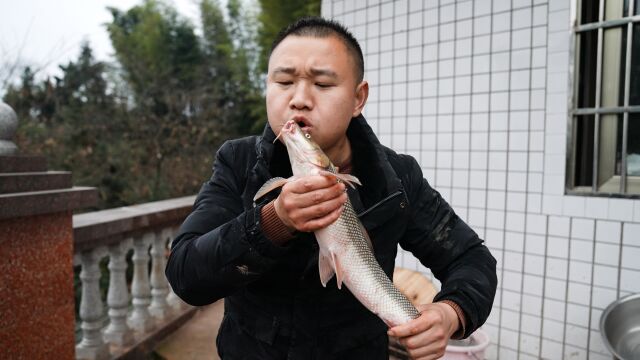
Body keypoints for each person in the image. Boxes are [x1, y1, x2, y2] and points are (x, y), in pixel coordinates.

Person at [166, 16, 497, 360]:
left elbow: (472, 258)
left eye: (322, 84)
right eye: (283, 81)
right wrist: (273, 221)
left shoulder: (398, 177)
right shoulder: (238, 160)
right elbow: (186, 274)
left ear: (358, 98)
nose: (299, 99)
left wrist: (449, 314)